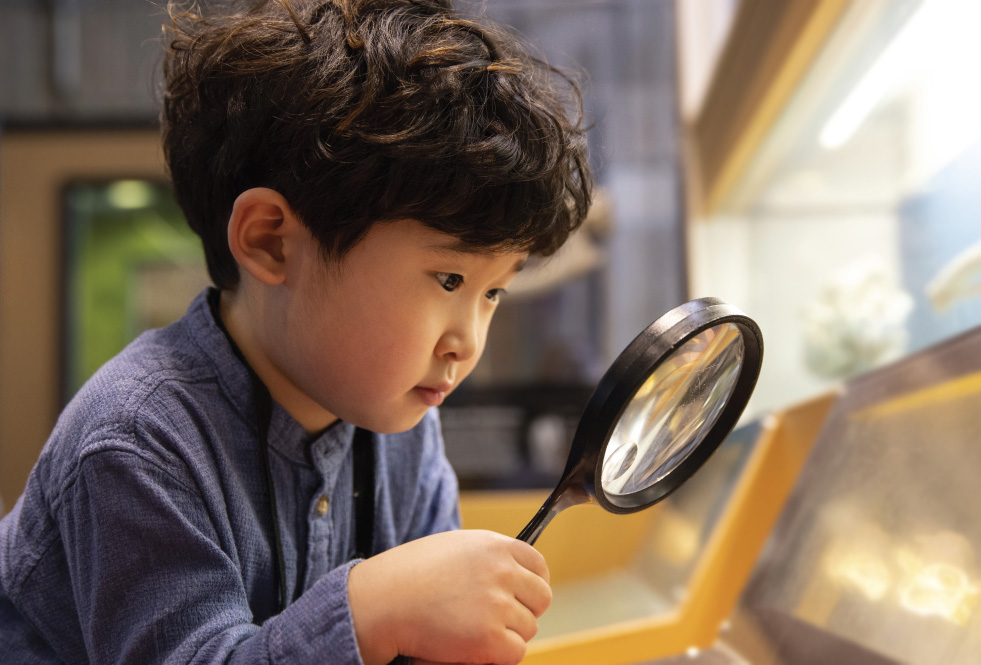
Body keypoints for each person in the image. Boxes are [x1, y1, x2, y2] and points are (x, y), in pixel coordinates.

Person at [0, 0, 591, 663]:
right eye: (449, 280)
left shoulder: (400, 426)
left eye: (494, 291)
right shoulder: (137, 440)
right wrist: (371, 608)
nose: (467, 341)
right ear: (271, 242)